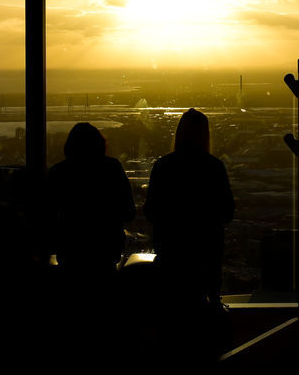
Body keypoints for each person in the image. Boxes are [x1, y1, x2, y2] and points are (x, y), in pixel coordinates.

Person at [144, 108, 234, 309]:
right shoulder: (214, 167)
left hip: (171, 257)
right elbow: (227, 212)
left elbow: (151, 211)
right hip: (206, 257)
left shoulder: (163, 166)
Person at [45, 122, 135, 277]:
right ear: (100, 144)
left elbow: (47, 215)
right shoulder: (112, 168)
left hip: (70, 250)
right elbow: (128, 212)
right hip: (105, 250)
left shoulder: (58, 172)